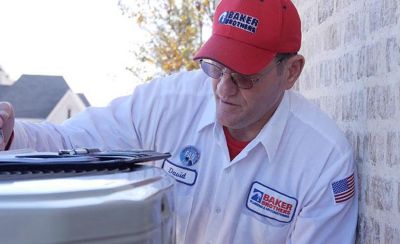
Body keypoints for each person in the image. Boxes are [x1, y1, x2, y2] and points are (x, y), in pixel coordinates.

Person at [0, 0, 358, 243]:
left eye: (245, 75)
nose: (223, 88)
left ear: (291, 71)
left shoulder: (324, 161)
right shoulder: (167, 103)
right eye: (216, 67)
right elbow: (74, 144)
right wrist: (12, 135)